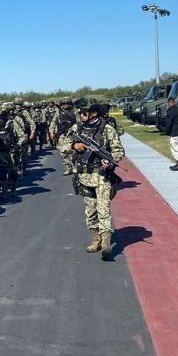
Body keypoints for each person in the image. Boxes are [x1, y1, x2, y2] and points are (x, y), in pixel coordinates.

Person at [60, 99, 125, 260]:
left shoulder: (107, 130)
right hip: (84, 176)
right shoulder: (76, 128)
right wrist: (74, 146)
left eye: (84, 112)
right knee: (90, 211)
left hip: (102, 176)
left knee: (103, 209)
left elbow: (118, 150)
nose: (81, 115)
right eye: (80, 112)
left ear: (93, 113)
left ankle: (106, 243)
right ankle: (96, 239)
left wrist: (109, 161)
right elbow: (62, 145)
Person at [163, 97, 178, 171]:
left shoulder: (170, 112)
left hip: (174, 133)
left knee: (175, 148)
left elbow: (168, 123)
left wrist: (166, 132)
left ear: (169, 103)